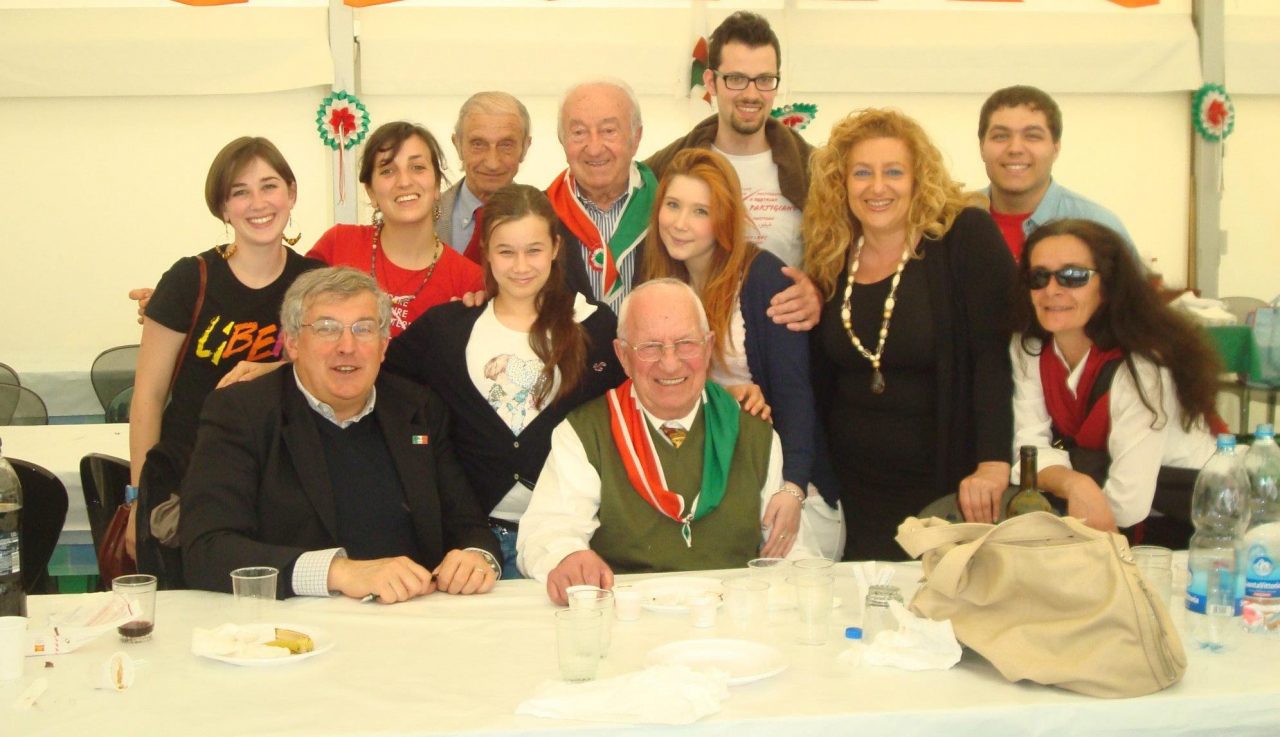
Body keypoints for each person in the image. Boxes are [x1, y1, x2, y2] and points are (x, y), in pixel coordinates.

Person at [181, 267, 502, 601]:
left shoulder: (418, 410)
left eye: (363, 329)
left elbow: (469, 524)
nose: (347, 346)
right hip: (291, 630)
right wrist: (339, 572)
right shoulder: (241, 413)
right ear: (292, 343)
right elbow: (206, 548)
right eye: (326, 329)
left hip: (409, 620)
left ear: (383, 345)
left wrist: (477, 557)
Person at [517, 279, 819, 604]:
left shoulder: (755, 434)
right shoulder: (584, 433)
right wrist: (567, 557)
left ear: (708, 347)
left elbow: (794, 555)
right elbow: (547, 530)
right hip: (625, 621)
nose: (670, 362)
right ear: (622, 355)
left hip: (732, 624)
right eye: (650, 347)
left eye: (686, 343)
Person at [384, 184, 625, 577]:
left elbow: (640, 399)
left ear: (555, 248)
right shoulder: (446, 329)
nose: (521, 266)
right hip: (471, 549)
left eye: (534, 250)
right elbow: (377, 383)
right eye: (505, 252)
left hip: (570, 544)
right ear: (485, 253)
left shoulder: (595, 328)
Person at [805, 109, 1014, 561]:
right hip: (853, 489)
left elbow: (995, 359)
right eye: (862, 173)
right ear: (841, 183)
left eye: (893, 172)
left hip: (944, 487)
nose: (877, 187)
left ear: (919, 179)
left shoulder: (964, 237)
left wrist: (995, 463)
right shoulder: (831, 254)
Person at [642, 148, 843, 558]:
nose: (680, 224)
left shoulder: (762, 277)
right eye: (673, 205)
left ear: (725, 218)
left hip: (777, 479)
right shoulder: (657, 280)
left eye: (701, 211)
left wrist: (794, 488)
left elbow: (794, 394)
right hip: (712, 483)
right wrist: (724, 398)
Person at [127, 136, 324, 554]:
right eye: (240, 192)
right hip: (190, 485)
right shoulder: (188, 280)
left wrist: (275, 368)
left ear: (291, 194)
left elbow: (329, 376)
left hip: (285, 487)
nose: (258, 203)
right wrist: (137, 503)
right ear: (223, 207)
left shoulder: (316, 283)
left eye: (269, 186)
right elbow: (148, 396)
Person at [1008, 219, 1218, 537]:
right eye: (1038, 277)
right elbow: (1027, 451)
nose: (1052, 290)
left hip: (1181, 521)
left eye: (1073, 276)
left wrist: (1069, 487)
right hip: (1096, 507)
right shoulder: (1030, 349)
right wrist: (1073, 483)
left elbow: (1128, 504)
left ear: (1106, 286)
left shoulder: (1143, 364)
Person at [646, 10, 812, 270]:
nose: (751, 94)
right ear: (711, 82)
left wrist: (815, 290)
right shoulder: (663, 168)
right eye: (736, 79)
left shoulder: (813, 170)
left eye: (764, 80)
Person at [307, 121, 484, 336]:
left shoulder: (469, 281)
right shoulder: (337, 245)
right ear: (371, 192)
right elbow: (292, 322)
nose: (404, 181)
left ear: (437, 185)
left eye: (417, 167)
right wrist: (279, 363)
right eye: (388, 170)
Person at [978, 85, 1134, 259]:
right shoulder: (950, 221)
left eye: (1032, 136)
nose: (1015, 149)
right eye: (1000, 136)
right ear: (981, 147)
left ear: (1056, 148)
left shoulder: (1099, 226)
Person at [439, 92, 533, 261]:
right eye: (478, 144)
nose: (492, 163)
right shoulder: (423, 217)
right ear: (458, 145)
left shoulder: (548, 219)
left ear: (525, 147)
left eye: (506, 145)